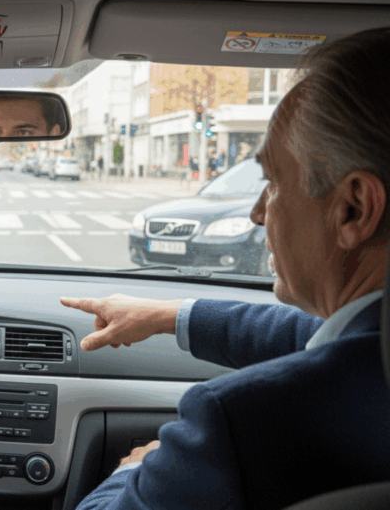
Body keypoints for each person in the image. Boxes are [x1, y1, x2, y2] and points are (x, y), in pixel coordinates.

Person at [62, 28, 390, 510]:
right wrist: (166, 314)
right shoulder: (375, 355)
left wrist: (134, 470)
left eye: (274, 182)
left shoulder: (237, 423)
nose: (258, 212)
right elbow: (320, 339)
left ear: (354, 209)